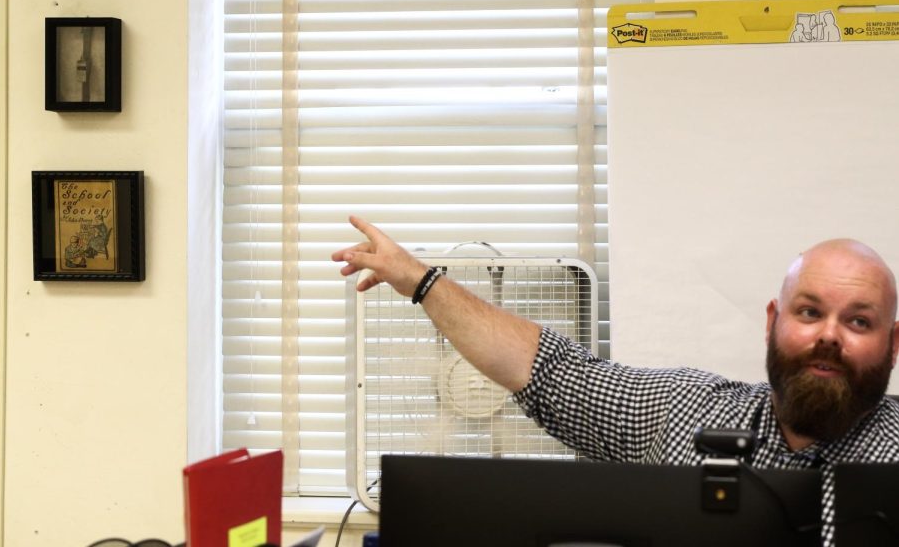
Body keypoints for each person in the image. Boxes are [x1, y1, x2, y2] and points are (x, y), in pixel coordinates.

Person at [333, 216, 899, 546]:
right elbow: (550, 370)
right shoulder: (685, 413)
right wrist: (420, 281)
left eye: (858, 321)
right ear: (774, 322)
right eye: (809, 313)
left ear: (892, 346)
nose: (829, 336)